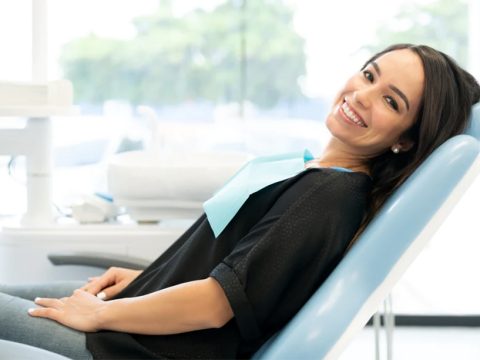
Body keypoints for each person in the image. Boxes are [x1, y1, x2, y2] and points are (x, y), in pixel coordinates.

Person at [1, 43, 479, 360]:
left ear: (404, 141)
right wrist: (149, 278)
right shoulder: (315, 173)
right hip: (137, 320)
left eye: (392, 102)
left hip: (134, 350)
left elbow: (216, 305)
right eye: (369, 75)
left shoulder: (329, 196)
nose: (363, 95)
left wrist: (101, 314)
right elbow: (234, 270)